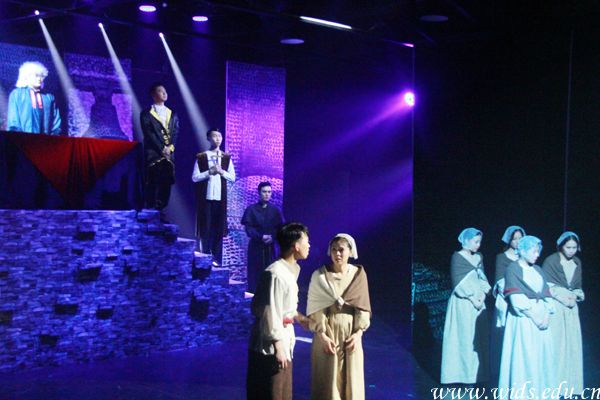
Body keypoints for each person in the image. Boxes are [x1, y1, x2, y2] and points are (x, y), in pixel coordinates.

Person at [246, 222, 311, 400]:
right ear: (296, 245)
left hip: (283, 340)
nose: (309, 245)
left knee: (282, 392)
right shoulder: (275, 273)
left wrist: (300, 318)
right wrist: (278, 345)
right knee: (271, 391)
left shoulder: (289, 271)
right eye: (306, 241)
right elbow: (271, 311)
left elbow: (285, 306)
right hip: (270, 347)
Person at [307, 233, 371, 400]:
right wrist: (322, 336)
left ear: (350, 251)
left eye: (341, 250)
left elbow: (362, 307)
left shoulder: (358, 275)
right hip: (328, 335)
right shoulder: (320, 276)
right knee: (329, 382)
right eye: (334, 249)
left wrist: (358, 334)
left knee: (351, 382)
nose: (337, 254)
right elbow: (316, 310)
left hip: (351, 335)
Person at [498, 235, 556, 399]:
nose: (537, 255)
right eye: (534, 251)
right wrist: (534, 316)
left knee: (540, 357)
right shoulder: (513, 269)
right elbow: (516, 298)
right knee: (525, 357)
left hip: (541, 317)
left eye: (538, 251)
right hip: (524, 319)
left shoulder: (538, 270)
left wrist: (547, 316)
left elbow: (546, 294)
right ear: (523, 251)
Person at [441, 228, 491, 385]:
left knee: (477, 339)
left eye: (480, 242)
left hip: (479, 301)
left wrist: (483, 295)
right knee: (464, 338)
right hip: (464, 303)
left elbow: (482, 278)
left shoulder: (478, 257)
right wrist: (472, 298)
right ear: (466, 241)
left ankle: (477, 375)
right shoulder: (457, 257)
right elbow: (458, 282)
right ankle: (463, 375)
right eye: (475, 242)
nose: (478, 245)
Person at [542, 231, 584, 396]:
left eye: (574, 247)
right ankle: (555, 386)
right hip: (557, 306)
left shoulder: (577, 262)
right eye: (568, 247)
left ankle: (571, 386)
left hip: (571, 307)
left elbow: (577, 285)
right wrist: (561, 296)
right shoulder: (551, 261)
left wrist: (575, 295)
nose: (571, 251)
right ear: (561, 246)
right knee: (558, 345)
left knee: (573, 346)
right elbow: (545, 285)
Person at [192, 129, 235, 263]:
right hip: (206, 199)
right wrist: (209, 172)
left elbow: (232, 177)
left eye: (219, 136)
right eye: (214, 136)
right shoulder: (202, 157)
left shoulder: (226, 158)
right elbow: (195, 177)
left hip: (220, 199)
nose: (217, 139)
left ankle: (216, 258)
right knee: (205, 227)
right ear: (208, 138)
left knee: (218, 229)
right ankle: (204, 255)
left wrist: (222, 172)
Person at [491, 226, 525, 383]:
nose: (517, 241)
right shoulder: (502, 257)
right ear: (509, 240)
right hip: (507, 301)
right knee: (504, 337)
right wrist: (514, 294)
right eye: (514, 238)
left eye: (520, 238)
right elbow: (500, 281)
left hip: (524, 302)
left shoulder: (525, 256)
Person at [140, 83, 179, 212]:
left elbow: (175, 132)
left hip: (168, 154)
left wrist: (170, 148)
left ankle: (161, 210)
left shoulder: (172, 113)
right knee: (152, 180)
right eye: (160, 91)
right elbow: (149, 133)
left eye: (165, 91)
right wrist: (162, 148)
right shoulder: (146, 113)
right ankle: (150, 208)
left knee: (166, 182)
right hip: (154, 153)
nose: (164, 93)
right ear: (153, 94)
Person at [241, 181, 285, 293]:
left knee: (270, 274)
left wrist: (273, 237)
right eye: (264, 192)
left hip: (270, 248)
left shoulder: (275, 210)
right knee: (255, 274)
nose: (267, 194)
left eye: (269, 192)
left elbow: (280, 229)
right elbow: (249, 229)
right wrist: (261, 237)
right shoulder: (251, 209)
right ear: (259, 193)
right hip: (256, 248)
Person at [7, 61, 61, 135]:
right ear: (27, 76)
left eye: (41, 76)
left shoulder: (49, 97)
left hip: (45, 140)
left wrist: (54, 136)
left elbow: (56, 122)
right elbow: (13, 120)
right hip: (22, 139)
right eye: (36, 76)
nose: (39, 79)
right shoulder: (17, 94)